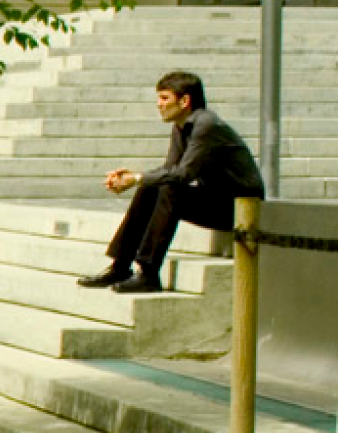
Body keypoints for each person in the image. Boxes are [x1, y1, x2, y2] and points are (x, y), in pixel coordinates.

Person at [77, 71, 265, 294]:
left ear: (185, 101)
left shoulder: (207, 125)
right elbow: (170, 170)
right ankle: (120, 267)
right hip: (215, 199)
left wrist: (136, 179)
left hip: (240, 208)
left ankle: (148, 273)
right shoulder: (181, 126)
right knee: (151, 188)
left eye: (165, 98)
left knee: (170, 190)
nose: (159, 105)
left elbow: (183, 174)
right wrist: (136, 177)